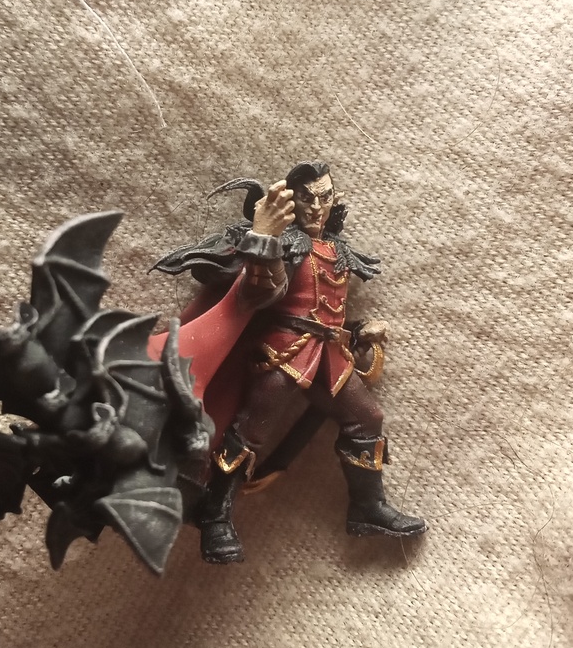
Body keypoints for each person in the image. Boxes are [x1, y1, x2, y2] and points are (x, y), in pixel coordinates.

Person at [154, 161, 426, 564]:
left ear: (334, 200)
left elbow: (325, 313)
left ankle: (367, 507)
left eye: (324, 198)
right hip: (284, 352)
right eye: (306, 198)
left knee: (368, 418)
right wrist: (264, 237)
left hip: (330, 355)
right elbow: (263, 291)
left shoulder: (337, 250)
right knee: (250, 432)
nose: (316, 207)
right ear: (293, 201)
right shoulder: (286, 244)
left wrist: (358, 329)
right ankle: (215, 514)